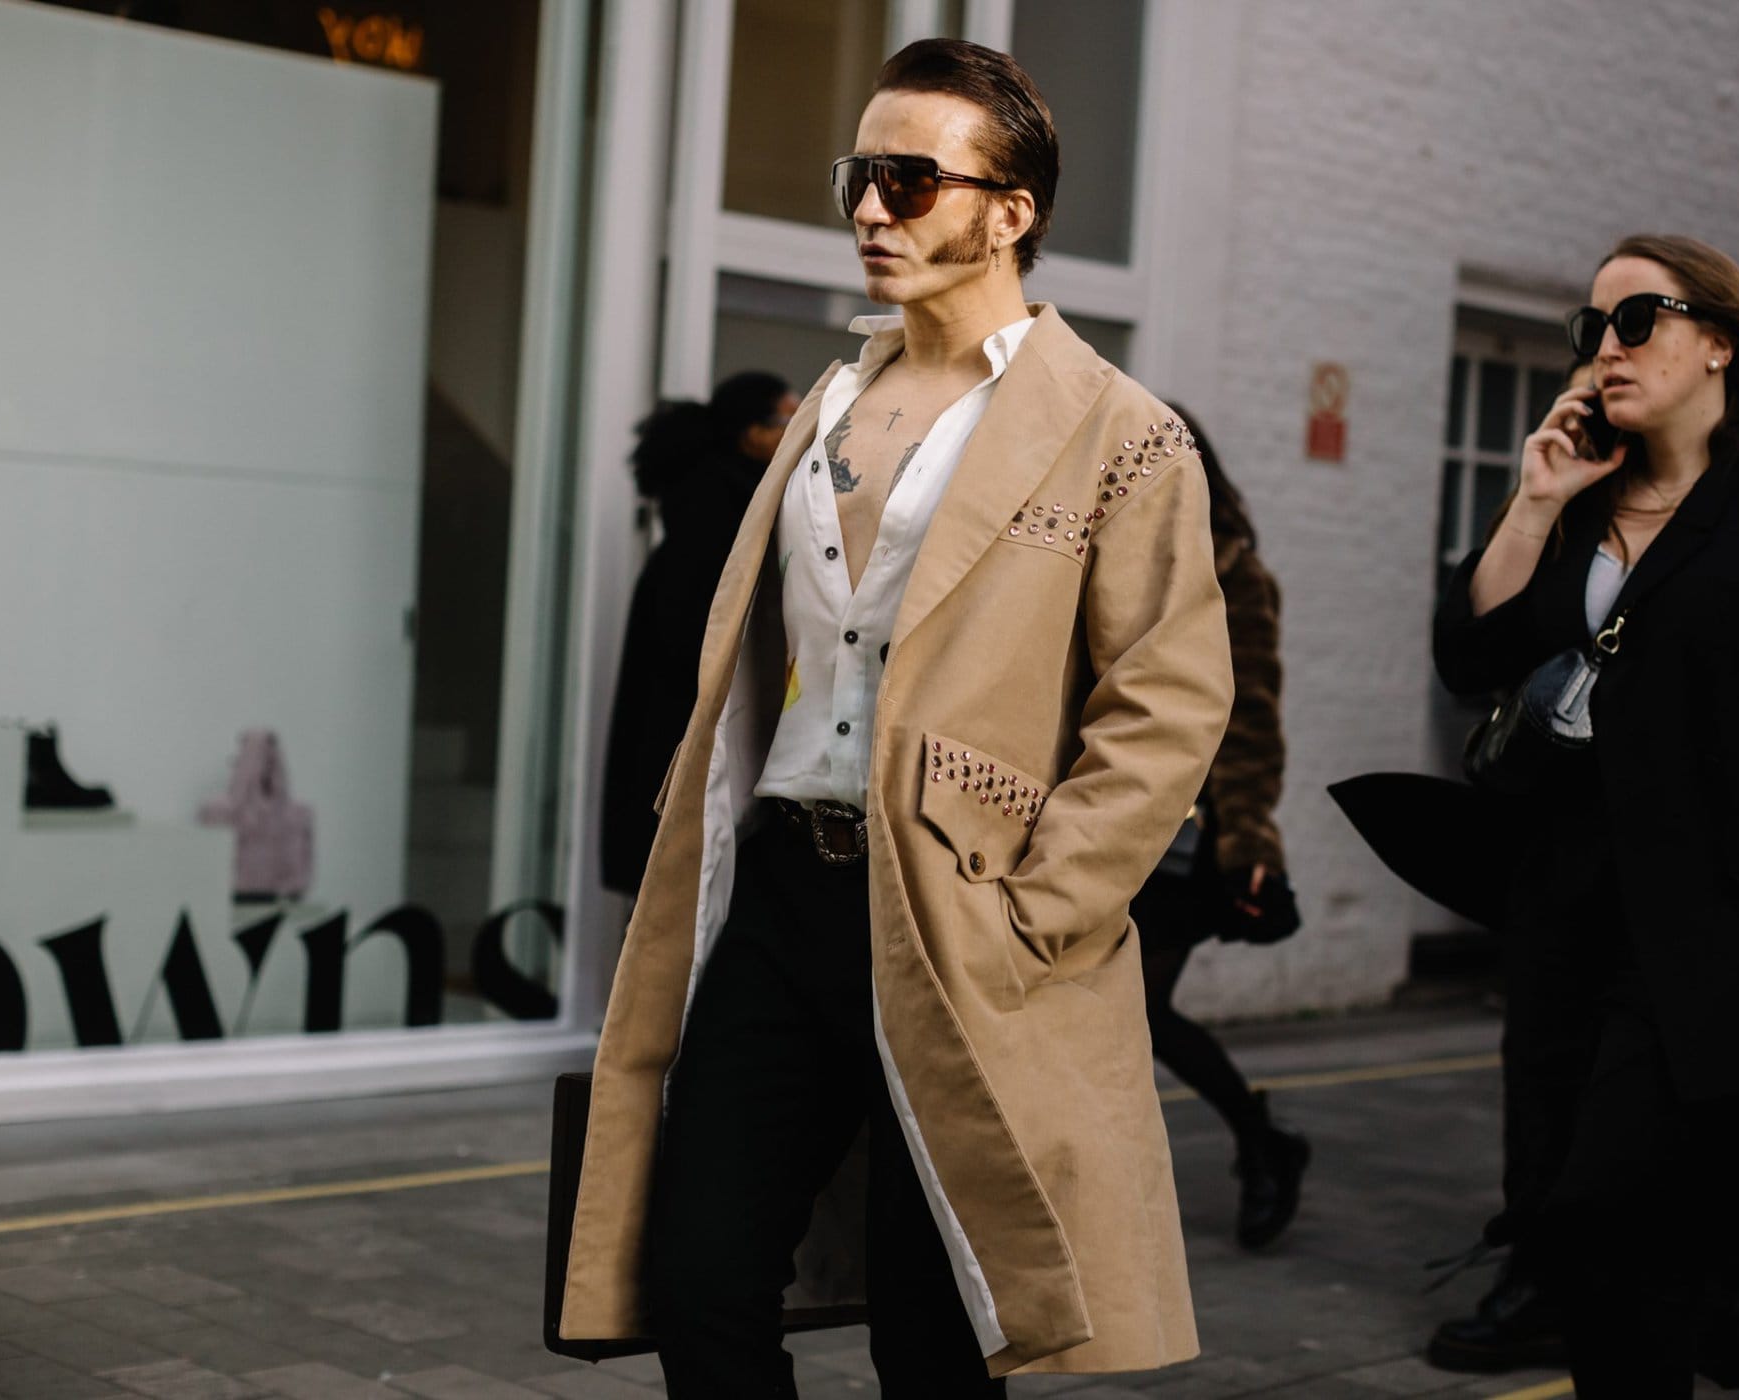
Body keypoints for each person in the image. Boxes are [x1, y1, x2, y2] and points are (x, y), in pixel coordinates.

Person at [557, 38, 1231, 1396]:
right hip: (785, 901)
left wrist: (1038, 913)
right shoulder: (830, 404)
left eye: (911, 179)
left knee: (935, 1335)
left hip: (961, 919)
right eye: (858, 176)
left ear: (1010, 211)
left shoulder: (1122, 433)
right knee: (699, 1279)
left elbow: (1167, 701)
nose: (870, 207)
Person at [1431, 234, 1739, 1395]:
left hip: (1716, 926)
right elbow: (1470, 656)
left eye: (1637, 318)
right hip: (1564, 916)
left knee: (1611, 1204)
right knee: (1566, 1216)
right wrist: (1534, 498)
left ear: (1717, 341)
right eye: (1591, 328)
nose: (1607, 347)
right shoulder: (1579, 502)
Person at [1130, 405, 1307, 1250]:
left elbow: (1253, 720)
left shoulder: (1236, 573)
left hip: (1186, 836)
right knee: (1120, 1010)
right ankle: (1262, 1140)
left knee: (1137, 1006)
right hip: (1105, 817)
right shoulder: (1106, 553)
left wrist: (1251, 840)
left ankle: (1262, 1142)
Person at [598, 371, 797, 895]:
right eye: (787, 418)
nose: (798, 430)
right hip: (690, 737)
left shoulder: (715, 499)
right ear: (751, 432)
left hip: (683, 734)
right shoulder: (721, 509)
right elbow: (700, 645)